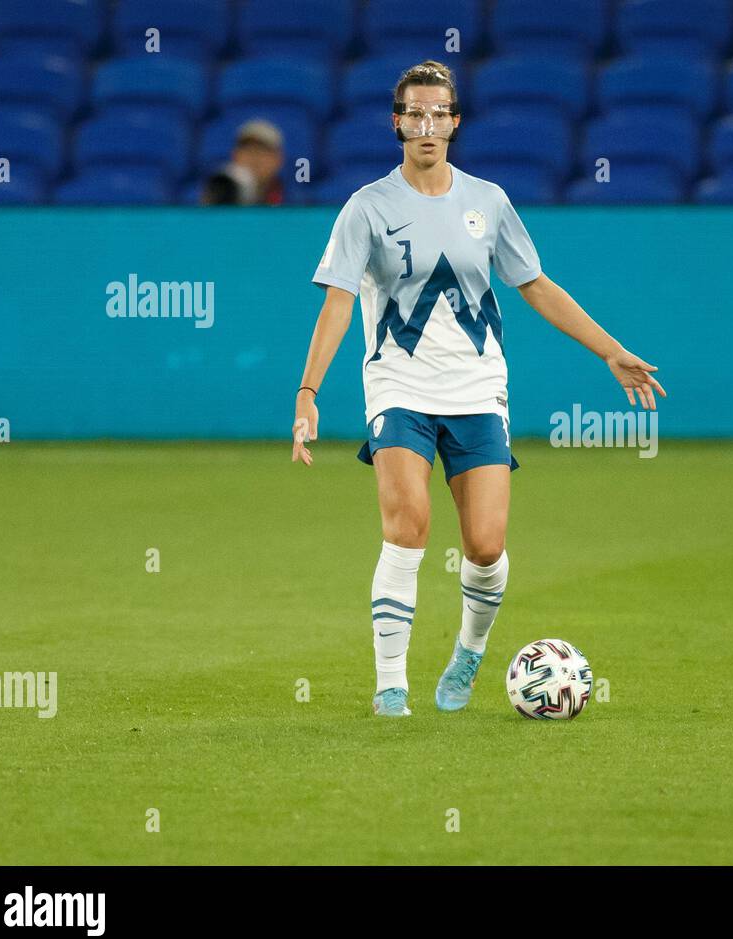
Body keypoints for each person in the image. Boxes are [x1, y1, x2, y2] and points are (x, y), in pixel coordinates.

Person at [290, 61, 665, 717]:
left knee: (486, 546)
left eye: (440, 113)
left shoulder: (487, 202)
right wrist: (308, 392)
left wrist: (611, 351)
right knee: (407, 525)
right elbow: (338, 304)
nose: (427, 125)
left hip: (476, 387)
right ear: (397, 122)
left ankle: (467, 653)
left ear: (455, 122)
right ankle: (390, 685)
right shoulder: (368, 208)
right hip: (398, 387)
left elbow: (536, 286)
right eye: (415, 113)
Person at [201, 119, 284, 205]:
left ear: (278, 159)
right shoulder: (216, 190)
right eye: (248, 150)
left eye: (263, 151)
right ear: (234, 155)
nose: (255, 157)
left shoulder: (294, 198)